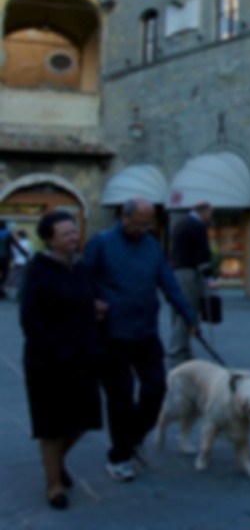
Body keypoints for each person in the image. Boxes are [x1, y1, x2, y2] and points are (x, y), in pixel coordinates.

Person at [83, 198, 200, 482]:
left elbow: (168, 282)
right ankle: (119, 456)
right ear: (124, 216)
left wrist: (189, 315)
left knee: (157, 390)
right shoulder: (101, 244)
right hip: (112, 334)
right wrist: (92, 301)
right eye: (140, 223)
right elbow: (83, 279)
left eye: (149, 224)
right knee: (120, 397)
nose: (145, 229)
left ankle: (132, 436)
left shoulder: (151, 247)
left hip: (145, 332)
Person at [20, 211, 103, 510]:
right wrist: (54, 351)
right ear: (50, 240)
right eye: (66, 234)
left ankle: (57, 462)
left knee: (83, 420)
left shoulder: (79, 268)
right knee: (52, 427)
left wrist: (95, 308)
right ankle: (53, 484)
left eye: (74, 232)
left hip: (83, 358)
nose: (73, 237)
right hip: (49, 362)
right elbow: (31, 320)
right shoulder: (38, 271)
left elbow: (84, 300)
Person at [167, 201, 213, 369]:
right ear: (204, 210)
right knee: (188, 310)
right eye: (210, 212)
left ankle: (183, 350)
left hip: (176, 271)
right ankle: (178, 353)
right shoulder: (197, 226)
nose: (211, 216)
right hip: (189, 273)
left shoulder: (179, 223)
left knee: (178, 309)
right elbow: (202, 253)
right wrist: (209, 278)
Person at [0, 218, 26, 299]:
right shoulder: (8, 234)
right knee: (5, 275)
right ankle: (1, 288)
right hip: (5, 258)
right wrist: (24, 253)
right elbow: (16, 245)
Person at [7, 227, 33, 298]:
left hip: (17, 262)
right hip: (25, 262)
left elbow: (13, 252)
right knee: (23, 277)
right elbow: (30, 253)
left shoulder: (16, 243)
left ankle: (13, 292)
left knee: (15, 277)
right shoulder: (28, 243)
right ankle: (20, 293)